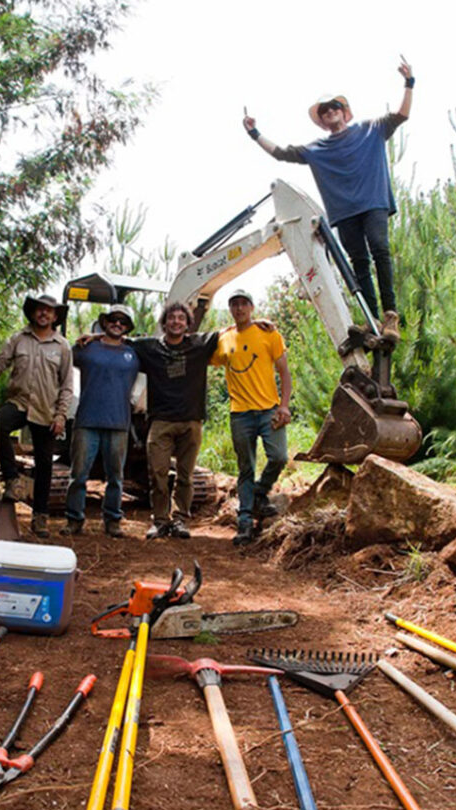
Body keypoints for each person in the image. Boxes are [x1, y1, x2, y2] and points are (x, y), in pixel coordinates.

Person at [243, 58, 414, 337]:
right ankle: (372, 320)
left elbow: (402, 114)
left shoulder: (371, 129)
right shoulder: (317, 149)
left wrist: (409, 83)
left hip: (372, 203)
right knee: (358, 261)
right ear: (322, 121)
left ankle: (390, 315)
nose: (330, 111)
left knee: (380, 248)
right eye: (324, 110)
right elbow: (280, 153)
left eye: (335, 106)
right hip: (345, 212)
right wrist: (254, 133)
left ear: (345, 112)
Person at [0, 293, 73, 539]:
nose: (44, 313)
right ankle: (12, 480)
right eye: (40, 309)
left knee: (44, 464)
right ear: (33, 313)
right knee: (0, 423)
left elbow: (66, 386)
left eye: (49, 311)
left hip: (47, 410)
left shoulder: (62, 346)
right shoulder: (18, 340)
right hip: (20, 402)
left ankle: (40, 517)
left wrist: (61, 415)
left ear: (55, 317)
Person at [129, 303, 221, 539]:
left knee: (185, 475)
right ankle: (159, 520)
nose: (176, 322)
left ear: (188, 324)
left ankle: (180, 520)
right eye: (172, 318)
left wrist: (260, 324)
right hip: (161, 421)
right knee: (157, 473)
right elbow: (120, 339)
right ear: (164, 322)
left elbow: (231, 332)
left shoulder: (199, 345)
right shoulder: (149, 347)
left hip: (191, 421)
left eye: (182, 318)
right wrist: (94, 336)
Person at [211, 289, 292, 547]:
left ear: (252, 307)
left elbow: (285, 373)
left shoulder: (269, 334)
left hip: (269, 410)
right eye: (234, 304)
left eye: (244, 304)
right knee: (245, 468)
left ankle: (259, 492)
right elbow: (208, 354)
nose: (239, 309)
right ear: (230, 309)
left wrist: (285, 406)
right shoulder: (224, 339)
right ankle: (244, 522)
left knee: (279, 456)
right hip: (240, 413)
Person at [62, 304, 140, 538]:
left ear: (127, 327)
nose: (118, 324)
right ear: (104, 322)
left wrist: (97, 334)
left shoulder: (134, 353)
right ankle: (74, 520)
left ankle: (112, 521)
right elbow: (62, 356)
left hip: (119, 423)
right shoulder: (86, 349)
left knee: (116, 477)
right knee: (78, 475)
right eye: (113, 320)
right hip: (87, 420)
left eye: (123, 322)